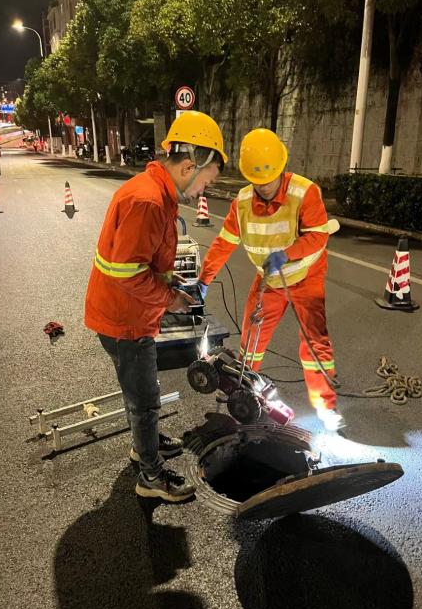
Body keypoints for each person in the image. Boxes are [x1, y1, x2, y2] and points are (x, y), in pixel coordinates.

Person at [85, 110, 228, 501]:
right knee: (145, 399)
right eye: (207, 180)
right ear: (188, 166)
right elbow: (128, 274)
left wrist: (171, 280)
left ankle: (142, 445)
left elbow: (141, 262)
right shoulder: (148, 201)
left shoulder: (156, 194)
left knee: (141, 393)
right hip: (123, 320)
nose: (204, 191)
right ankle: (150, 477)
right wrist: (171, 299)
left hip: (130, 313)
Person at [197, 128, 343, 431]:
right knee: (252, 341)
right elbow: (224, 242)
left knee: (315, 345)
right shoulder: (242, 203)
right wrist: (203, 280)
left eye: (269, 179)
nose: (264, 187)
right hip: (269, 280)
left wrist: (287, 254)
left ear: (282, 168)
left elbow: (318, 237)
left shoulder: (305, 192)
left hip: (306, 276)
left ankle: (325, 408)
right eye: (257, 181)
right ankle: (246, 394)